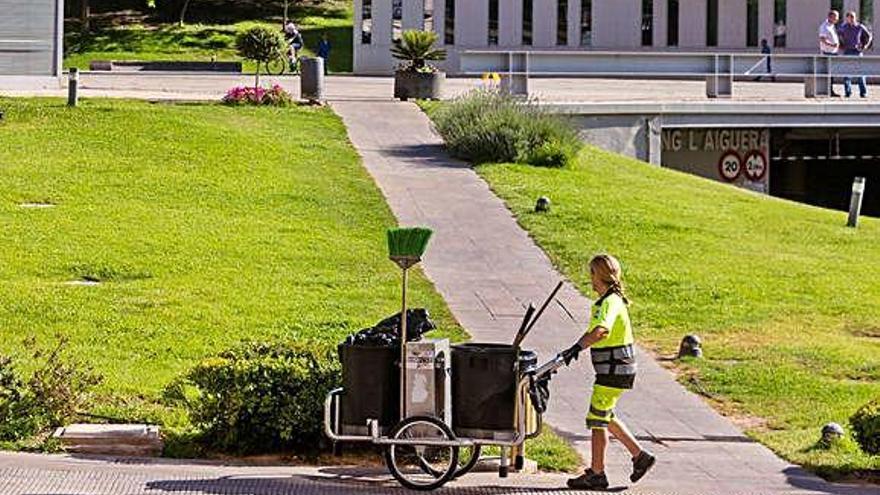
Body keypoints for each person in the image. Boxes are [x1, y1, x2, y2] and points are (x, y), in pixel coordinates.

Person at [561, 254, 656, 490]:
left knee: (597, 419)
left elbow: (601, 331)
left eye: (592, 273)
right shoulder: (610, 300)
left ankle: (597, 473)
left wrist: (577, 346)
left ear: (599, 275)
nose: (590, 279)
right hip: (614, 368)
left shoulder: (610, 302)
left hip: (615, 369)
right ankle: (639, 456)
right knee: (605, 415)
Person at [838, 11, 873, 98]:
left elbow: (869, 36)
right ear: (847, 18)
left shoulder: (860, 26)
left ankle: (863, 93)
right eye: (851, 17)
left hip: (857, 52)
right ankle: (848, 92)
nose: (852, 19)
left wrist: (865, 46)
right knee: (847, 73)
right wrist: (840, 44)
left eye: (853, 17)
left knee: (860, 73)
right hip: (847, 51)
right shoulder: (843, 27)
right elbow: (837, 35)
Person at [819, 10, 842, 97]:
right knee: (828, 73)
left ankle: (830, 90)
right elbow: (822, 39)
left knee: (832, 73)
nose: (837, 19)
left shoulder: (832, 26)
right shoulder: (824, 26)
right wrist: (832, 45)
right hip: (827, 53)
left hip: (833, 52)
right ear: (830, 17)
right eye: (836, 17)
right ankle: (827, 91)